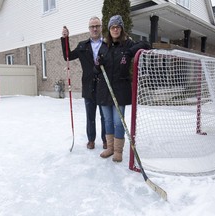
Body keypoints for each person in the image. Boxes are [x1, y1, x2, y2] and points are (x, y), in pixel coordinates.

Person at [95, 15, 151, 162]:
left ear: (121, 29)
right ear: (109, 29)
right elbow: (97, 70)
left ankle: (118, 150)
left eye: (117, 27)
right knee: (107, 120)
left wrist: (130, 52)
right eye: (112, 27)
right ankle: (110, 148)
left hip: (119, 89)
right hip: (105, 89)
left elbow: (146, 44)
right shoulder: (103, 45)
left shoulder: (127, 44)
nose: (115, 29)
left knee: (118, 121)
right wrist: (97, 63)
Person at [61, 16, 107, 150]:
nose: (95, 28)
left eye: (97, 26)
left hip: (104, 86)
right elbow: (67, 55)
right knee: (90, 116)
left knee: (104, 116)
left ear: (101, 27)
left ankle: (105, 140)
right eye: (92, 26)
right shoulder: (83, 46)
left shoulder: (107, 44)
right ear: (89, 29)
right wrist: (65, 39)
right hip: (88, 86)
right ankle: (91, 139)